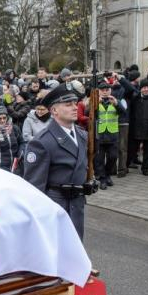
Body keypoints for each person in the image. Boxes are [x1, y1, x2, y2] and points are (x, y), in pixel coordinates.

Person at [23, 83, 91, 240]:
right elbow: (35, 188)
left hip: (77, 203)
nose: (75, 107)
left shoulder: (82, 135)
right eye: (68, 104)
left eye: (75, 103)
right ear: (54, 110)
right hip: (56, 206)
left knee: (75, 249)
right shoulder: (42, 142)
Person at [90, 82, 126, 190]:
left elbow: (124, 113)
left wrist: (116, 104)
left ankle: (107, 175)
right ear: (99, 91)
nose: (105, 92)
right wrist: (95, 104)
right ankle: (102, 179)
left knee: (113, 157)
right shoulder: (95, 101)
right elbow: (88, 113)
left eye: (107, 90)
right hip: (99, 135)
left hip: (112, 135)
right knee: (99, 159)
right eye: (102, 90)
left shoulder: (116, 101)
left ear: (110, 90)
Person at [128, 79, 148, 176]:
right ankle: (127, 164)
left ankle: (146, 168)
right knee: (132, 149)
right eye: (144, 88)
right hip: (136, 128)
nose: (146, 90)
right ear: (140, 88)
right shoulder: (136, 97)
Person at [0, 106, 24, 172]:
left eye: (4, 118)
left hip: (16, 164)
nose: (2, 120)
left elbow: (22, 142)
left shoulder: (14, 128)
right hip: (0, 166)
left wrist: (20, 153)